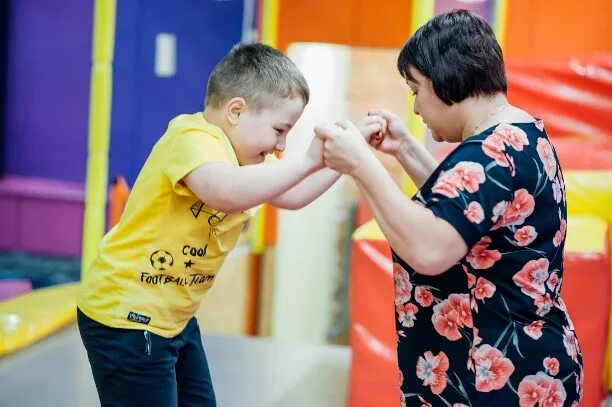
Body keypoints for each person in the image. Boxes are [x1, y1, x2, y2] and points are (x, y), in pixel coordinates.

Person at [77, 43, 384, 406]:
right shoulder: (192, 138)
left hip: (174, 319)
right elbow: (223, 191)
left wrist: (346, 158)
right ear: (236, 110)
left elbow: (295, 193)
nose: (280, 145)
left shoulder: (245, 162)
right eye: (279, 130)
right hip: (127, 318)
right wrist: (305, 161)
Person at [316, 10, 583, 406]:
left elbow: (431, 250)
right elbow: (469, 219)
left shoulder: (489, 154)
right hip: (527, 361)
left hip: (495, 378)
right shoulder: (515, 136)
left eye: (416, 90)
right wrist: (406, 149)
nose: (417, 108)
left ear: (446, 81)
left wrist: (361, 164)